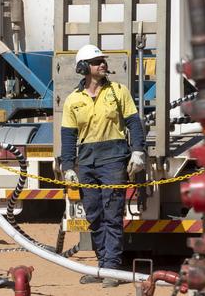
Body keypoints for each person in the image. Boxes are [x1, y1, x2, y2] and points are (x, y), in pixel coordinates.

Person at [60, 44, 146, 288]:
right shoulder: (73, 100)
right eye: (97, 61)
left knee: (112, 213)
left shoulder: (119, 91)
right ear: (84, 67)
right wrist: (68, 166)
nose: (103, 64)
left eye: (103, 60)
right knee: (94, 214)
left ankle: (112, 268)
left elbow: (133, 123)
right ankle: (101, 265)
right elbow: (68, 136)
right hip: (86, 161)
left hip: (114, 158)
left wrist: (138, 151)